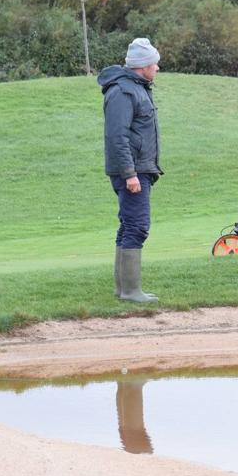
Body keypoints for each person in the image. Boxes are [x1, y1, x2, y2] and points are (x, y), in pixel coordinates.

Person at [100, 37, 163, 302]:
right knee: (137, 227)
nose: (158, 68)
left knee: (129, 226)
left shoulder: (138, 88)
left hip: (140, 169)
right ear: (143, 66)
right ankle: (131, 291)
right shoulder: (124, 92)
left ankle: (123, 289)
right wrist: (130, 173)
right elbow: (118, 137)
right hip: (132, 171)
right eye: (155, 64)